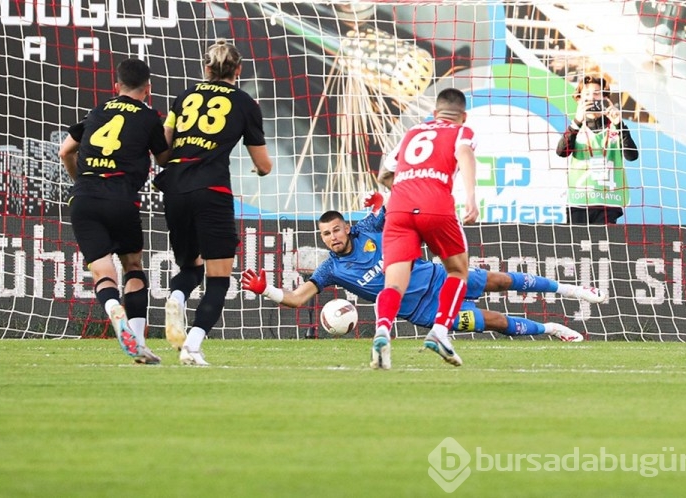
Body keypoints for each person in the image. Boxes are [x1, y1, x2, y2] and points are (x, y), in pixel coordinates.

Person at [241, 206, 606, 361]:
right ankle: (551, 328)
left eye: (336, 229)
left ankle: (569, 290)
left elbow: (394, 201)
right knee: (491, 321)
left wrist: (387, 193)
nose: (332, 237)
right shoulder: (330, 270)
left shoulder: (369, 228)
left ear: (347, 227)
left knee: (500, 279)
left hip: (440, 276)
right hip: (428, 312)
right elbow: (297, 299)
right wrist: (268, 290)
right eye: (325, 234)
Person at [155, 39, 273, 366]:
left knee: (189, 267)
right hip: (212, 190)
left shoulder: (184, 97)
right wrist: (259, 169)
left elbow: (163, 152)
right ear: (238, 70)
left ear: (206, 69)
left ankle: (177, 297)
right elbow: (263, 164)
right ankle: (192, 346)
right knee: (218, 278)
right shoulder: (246, 103)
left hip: (176, 188)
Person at [59, 58, 169, 364]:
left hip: (84, 198)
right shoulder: (149, 118)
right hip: (121, 198)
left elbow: (65, 150)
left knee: (102, 272)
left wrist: (80, 178)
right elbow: (164, 158)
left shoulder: (98, 111)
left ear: (116, 86)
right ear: (148, 88)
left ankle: (111, 308)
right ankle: (138, 340)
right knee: (132, 266)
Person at [370, 87, 478, 369]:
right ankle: (440, 331)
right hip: (435, 204)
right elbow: (465, 154)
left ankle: (382, 329)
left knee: (394, 282)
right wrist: (471, 197)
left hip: (399, 207)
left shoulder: (412, 133)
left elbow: (384, 174)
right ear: (462, 116)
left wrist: (409, 189)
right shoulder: (461, 132)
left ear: (434, 113)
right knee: (457, 270)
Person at [556, 74, 639, 224]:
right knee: (576, 245)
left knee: (604, 246)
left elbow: (632, 156)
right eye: (586, 94)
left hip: (608, 201)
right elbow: (561, 152)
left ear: (605, 98)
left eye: (596, 93)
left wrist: (620, 125)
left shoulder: (615, 125)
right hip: (579, 201)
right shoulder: (575, 127)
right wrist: (577, 121)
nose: (591, 98)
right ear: (579, 99)